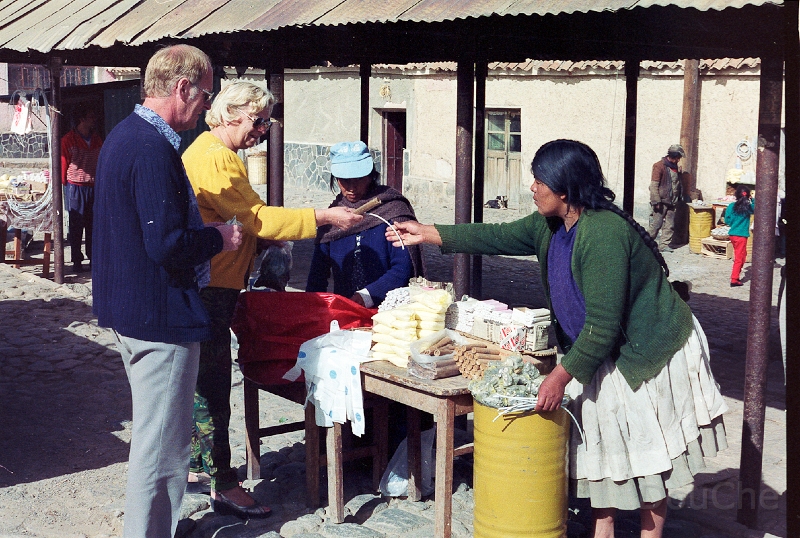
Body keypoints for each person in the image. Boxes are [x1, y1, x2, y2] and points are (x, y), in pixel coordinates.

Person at [389, 139, 728, 538]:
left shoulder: (602, 234)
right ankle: (605, 530)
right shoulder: (550, 224)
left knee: (644, 453)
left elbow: (603, 324)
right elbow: (496, 236)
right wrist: (427, 232)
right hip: (602, 349)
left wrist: (560, 376)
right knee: (606, 450)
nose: (532, 187)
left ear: (564, 189)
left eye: (539, 180)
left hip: (648, 351)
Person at [181, 81, 363, 518]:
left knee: (204, 380)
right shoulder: (212, 158)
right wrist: (322, 216)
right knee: (211, 384)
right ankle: (222, 481)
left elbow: (245, 222)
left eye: (265, 122)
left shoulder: (222, 156)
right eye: (257, 121)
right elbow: (256, 218)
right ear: (229, 114)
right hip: (210, 288)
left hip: (220, 283)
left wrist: (261, 247)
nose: (262, 130)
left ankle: (198, 465)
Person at [92, 45, 243, 538]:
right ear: (182, 88)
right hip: (159, 317)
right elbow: (167, 242)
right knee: (162, 447)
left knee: (153, 438)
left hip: (132, 311)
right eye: (204, 93)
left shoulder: (126, 136)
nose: (206, 104)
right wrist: (218, 237)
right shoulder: (151, 146)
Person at [306, 140, 424, 308]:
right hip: (347, 313)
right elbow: (317, 276)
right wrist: (312, 309)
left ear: (370, 175)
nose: (351, 187)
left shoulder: (393, 210)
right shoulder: (332, 218)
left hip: (390, 313)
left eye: (359, 179)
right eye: (344, 180)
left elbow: (403, 267)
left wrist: (367, 296)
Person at [61, 103, 102, 272]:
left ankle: (93, 259)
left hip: (93, 187)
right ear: (82, 119)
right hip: (75, 187)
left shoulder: (97, 139)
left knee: (93, 226)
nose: (94, 120)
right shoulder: (68, 140)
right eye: (91, 116)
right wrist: (64, 186)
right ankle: (77, 260)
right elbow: (63, 165)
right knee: (76, 226)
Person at [647, 143, 685, 252]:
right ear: (673, 156)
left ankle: (664, 245)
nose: (679, 160)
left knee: (670, 225)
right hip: (661, 201)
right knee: (656, 224)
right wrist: (656, 201)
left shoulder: (675, 167)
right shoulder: (659, 166)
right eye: (678, 158)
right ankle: (646, 244)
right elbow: (654, 185)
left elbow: (676, 184)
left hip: (673, 202)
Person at [724, 184, 755, 287]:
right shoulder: (748, 207)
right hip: (741, 236)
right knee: (739, 258)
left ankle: (735, 276)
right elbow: (756, 208)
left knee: (742, 255)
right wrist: (752, 199)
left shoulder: (731, 206)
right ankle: (734, 279)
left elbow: (727, 220)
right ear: (747, 196)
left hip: (733, 234)